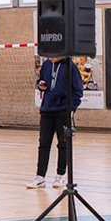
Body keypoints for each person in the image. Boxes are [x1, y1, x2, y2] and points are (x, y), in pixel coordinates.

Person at [30, 51, 80, 191]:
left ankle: (60, 175)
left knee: (63, 144)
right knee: (44, 144)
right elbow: (41, 81)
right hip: (47, 110)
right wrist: (40, 85)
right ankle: (40, 177)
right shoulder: (46, 65)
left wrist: (71, 109)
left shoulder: (71, 67)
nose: (50, 57)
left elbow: (78, 91)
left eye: (53, 54)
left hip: (63, 111)